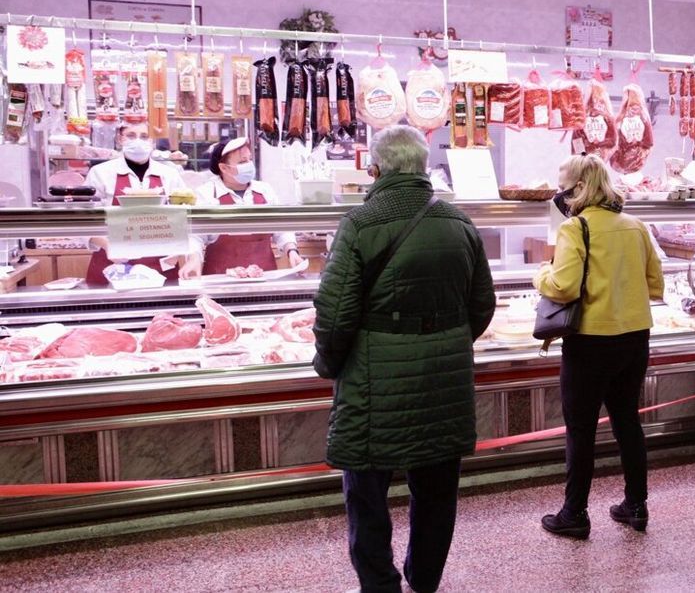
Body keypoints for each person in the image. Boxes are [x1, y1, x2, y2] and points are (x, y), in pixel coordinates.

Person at [313, 125, 495, 593]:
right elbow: (482, 306)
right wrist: (444, 341)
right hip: (445, 381)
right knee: (437, 491)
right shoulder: (459, 222)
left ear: (375, 169)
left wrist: (330, 364)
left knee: (367, 496)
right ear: (421, 166)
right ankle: (425, 578)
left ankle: (380, 584)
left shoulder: (360, 223)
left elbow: (334, 315)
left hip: (375, 383)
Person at [535, 153, 664, 539]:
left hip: (590, 342)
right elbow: (655, 284)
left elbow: (564, 286)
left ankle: (574, 513)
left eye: (563, 188)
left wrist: (541, 274)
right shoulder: (636, 225)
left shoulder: (576, 229)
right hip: (634, 338)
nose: (561, 195)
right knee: (628, 422)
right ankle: (636, 506)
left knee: (581, 430)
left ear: (579, 189)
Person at [83, 121, 199, 284]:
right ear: (120, 139)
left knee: (161, 310)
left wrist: (188, 253)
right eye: (131, 135)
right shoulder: (101, 173)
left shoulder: (169, 174)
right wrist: (108, 245)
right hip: (113, 266)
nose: (138, 141)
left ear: (152, 142)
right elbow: (85, 221)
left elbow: (187, 218)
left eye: (144, 137)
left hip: (160, 264)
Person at [194, 137, 304, 274]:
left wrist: (291, 250)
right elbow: (195, 235)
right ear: (224, 168)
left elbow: (281, 227)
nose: (249, 164)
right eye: (242, 161)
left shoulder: (265, 190)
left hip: (264, 278)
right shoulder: (206, 193)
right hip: (220, 280)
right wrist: (193, 258)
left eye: (249, 159)